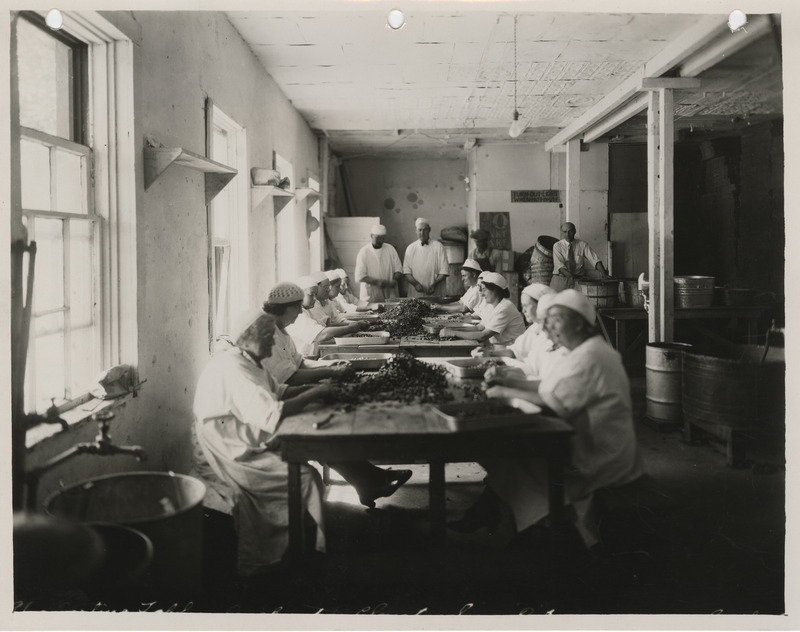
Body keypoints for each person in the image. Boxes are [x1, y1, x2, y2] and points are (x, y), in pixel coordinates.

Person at [461, 289, 644, 548]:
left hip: (599, 457)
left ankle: (548, 532)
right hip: (588, 442)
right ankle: (531, 523)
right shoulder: (580, 351)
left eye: (556, 320)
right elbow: (549, 386)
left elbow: (552, 404)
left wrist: (505, 393)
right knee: (506, 458)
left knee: (511, 460)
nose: (549, 328)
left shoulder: (590, 356)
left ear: (578, 323)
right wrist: (507, 381)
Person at [262, 282, 356, 385]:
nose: (300, 311)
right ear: (284, 307)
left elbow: (300, 363)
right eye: (297, 307)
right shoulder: (268, 335)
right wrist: (329, 371)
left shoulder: (282, 331)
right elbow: (290, 378)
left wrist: (330, 364)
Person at [481, 284, 566, 383]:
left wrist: (505, 379)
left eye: (526, 306)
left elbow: (545, 380)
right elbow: (515, 351)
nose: (523, 310)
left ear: (541, 305)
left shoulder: (554, 338)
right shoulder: (534, 328)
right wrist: (489, 354)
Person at [286, 274, 367, 355]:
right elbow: (322, 334)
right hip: (302, 357)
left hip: (310, 355)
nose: (315, 298)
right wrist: (349, 328)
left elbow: (325, 326)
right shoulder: (296, 315)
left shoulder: (306, 310)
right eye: (311, 295)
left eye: (315, 294)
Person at [439, 272, 525, 345]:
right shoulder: (492, 306)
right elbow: (479, 327)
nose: (482, 294)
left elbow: (483, 336)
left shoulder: (504, 307)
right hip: (499, 347)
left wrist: (454, 333)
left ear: (495, 290)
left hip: (512, 351)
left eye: (484, 290)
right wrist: (452, 329)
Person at [550, 222, 610, 290]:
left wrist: (604, 274)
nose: (568, 235)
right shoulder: (557, 246)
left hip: (577, 281)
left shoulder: (582, 245)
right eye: (565, 232)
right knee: (558, 297)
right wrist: (571, 277)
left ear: (575, 231)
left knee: (578, 297)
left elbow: (595, 260)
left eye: (570, 231)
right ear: (562, 233)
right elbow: (560, 266)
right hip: (561, 280)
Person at [354, 224, 403, 302]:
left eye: (383, 238)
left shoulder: (390, 249)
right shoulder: (364, 252)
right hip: (371, 295)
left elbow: (398, 270)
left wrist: (393, 279)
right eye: (378, 238)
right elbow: (359, 276)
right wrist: (377, 282)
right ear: (371, 236)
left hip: (389, 292)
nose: (381, 240)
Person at [403, 217, 450, 297]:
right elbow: (407, 272)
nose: (422, 233)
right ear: (416, 231)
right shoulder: (410, 248)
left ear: (429, 230)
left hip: (435, 292)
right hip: (416, 293)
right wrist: (416, 284)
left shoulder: (438, 246)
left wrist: (434, 284)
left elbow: (444, 270)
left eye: (425, 230)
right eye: (420, 230)